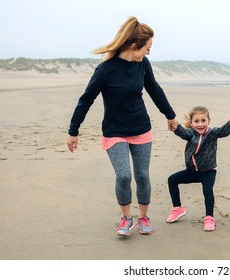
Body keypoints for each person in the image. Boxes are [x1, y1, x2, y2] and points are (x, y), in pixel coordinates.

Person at [66, 16, 178, 237]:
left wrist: (170, 115)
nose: (149, 53)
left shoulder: (143, 64)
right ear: (134, 46)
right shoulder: (106, 69)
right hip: (115, 131)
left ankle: (144, 217)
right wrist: (73, 131)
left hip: (141, 128)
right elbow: (86, 99)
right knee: (124, 175)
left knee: (142, 176)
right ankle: (126, 218)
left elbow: (154, 90)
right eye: (147, 48)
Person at [166, 106, 230, 231]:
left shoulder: (212, 134)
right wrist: (175, 126)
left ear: (208, 121)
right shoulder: (190, 134)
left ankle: (209, 217)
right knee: (172, 180)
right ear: (192, 123)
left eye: (203, 121)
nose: (200, 124)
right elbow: (182, 132)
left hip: (208, 171)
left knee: (207, 190)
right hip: (192, 171)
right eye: (196, 121)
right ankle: (177, 209)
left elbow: (224, 131)